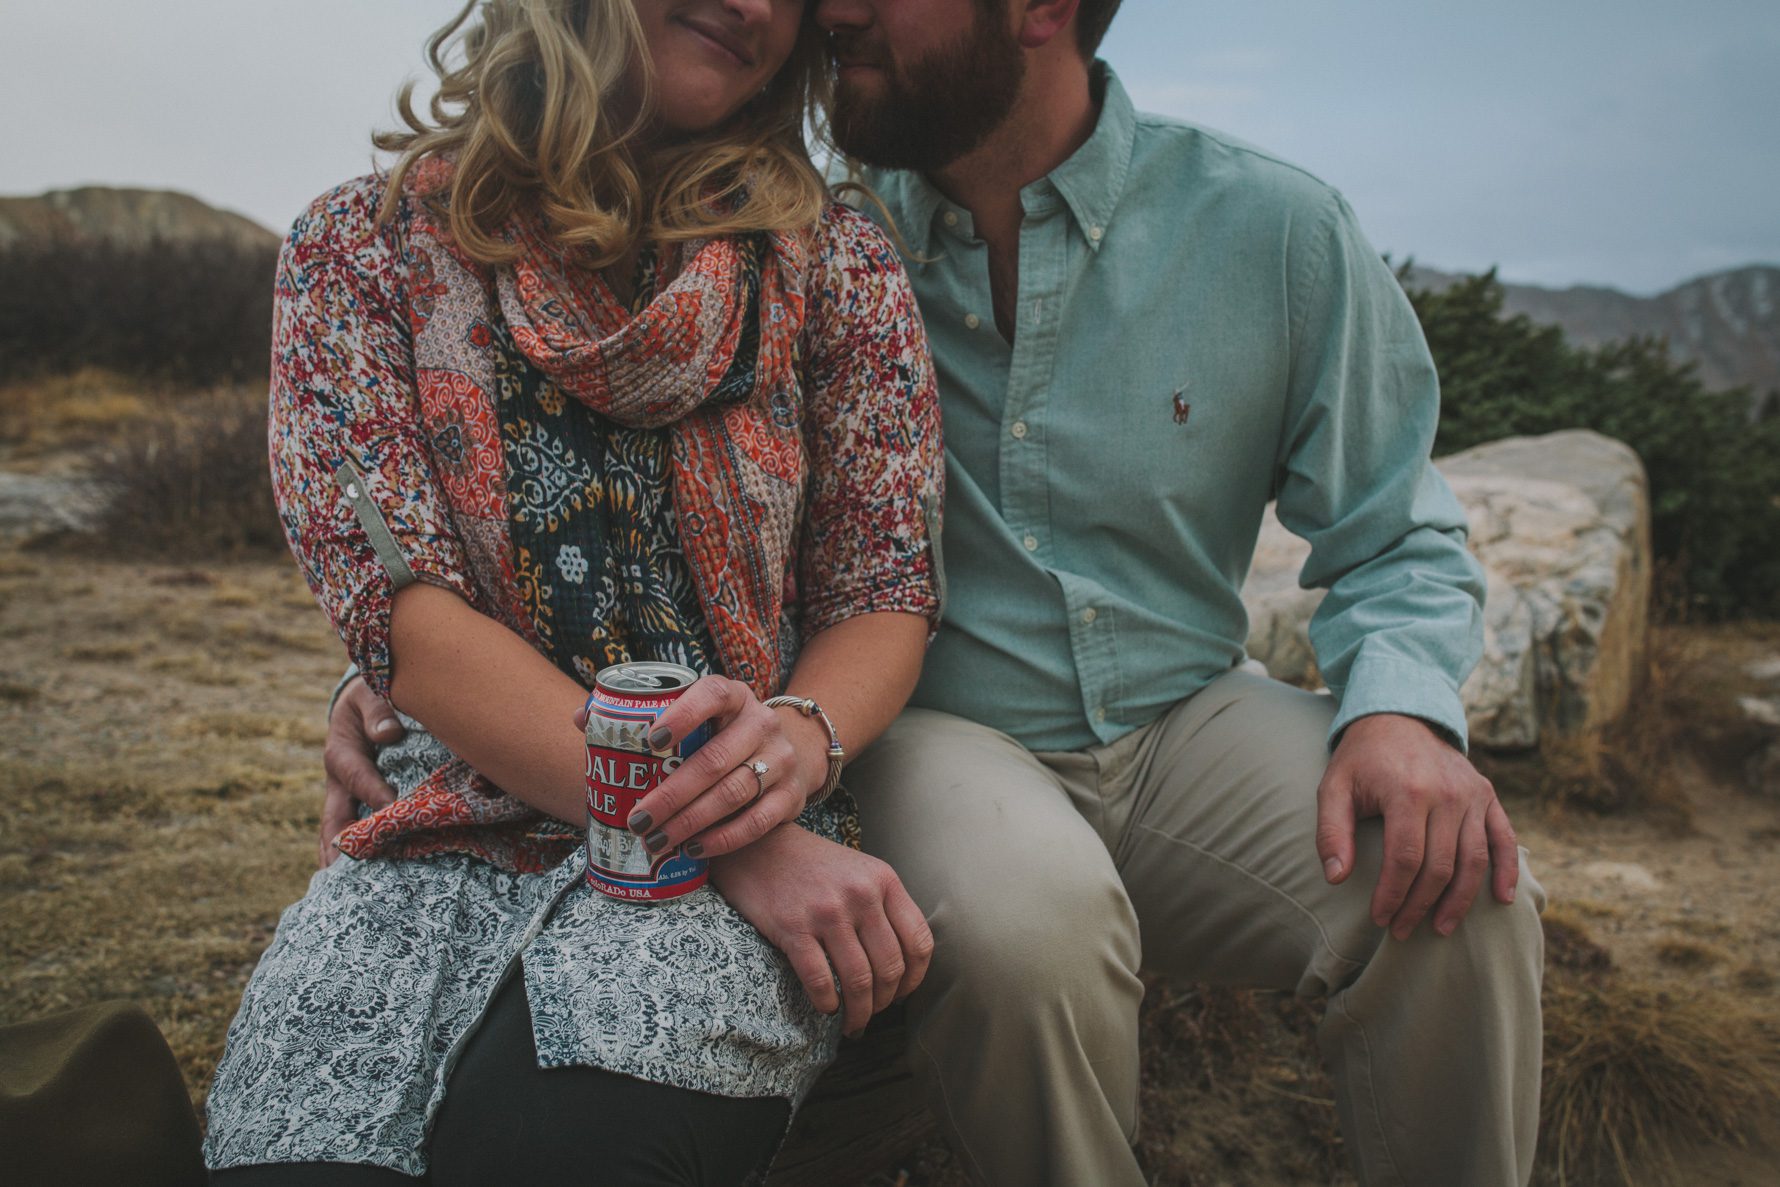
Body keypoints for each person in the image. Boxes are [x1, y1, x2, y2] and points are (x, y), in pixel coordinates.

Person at [329, 1, 1550, 1185]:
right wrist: (384, 672)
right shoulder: (814, 232)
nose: (835, 10)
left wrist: (1399, 710)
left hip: (1188, 714)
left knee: (1462, 888)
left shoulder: (1275, 232)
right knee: (1031, 934)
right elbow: (604, 490)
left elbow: (1395, 528)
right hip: (927, 735)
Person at [204, 0, 945, 1183]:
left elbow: (883, 585)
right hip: (446, 823)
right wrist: (716, 835)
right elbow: (409, 620)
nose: (755, 5)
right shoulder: (361, 248)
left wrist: (785, 762)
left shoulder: (834, 263)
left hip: (744, 835)